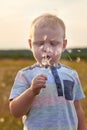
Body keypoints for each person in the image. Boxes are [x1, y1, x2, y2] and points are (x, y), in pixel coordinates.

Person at [9, 13, 87, 130]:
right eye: (40, 43)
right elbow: (15, 111)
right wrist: (31, 91)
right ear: (31, 44)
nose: (46, 48)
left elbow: (77, 109)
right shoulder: (25, 75)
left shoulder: (71, 74)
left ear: (64, 45)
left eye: (53, 43)